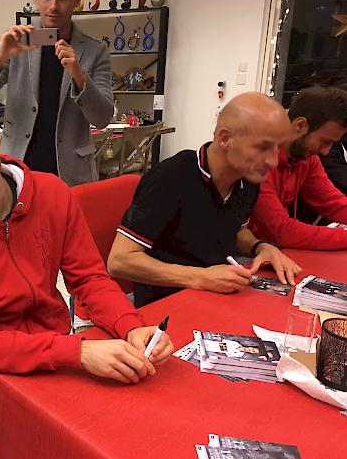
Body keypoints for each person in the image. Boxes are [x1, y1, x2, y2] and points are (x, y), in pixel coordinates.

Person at [0, 86, 173, 417]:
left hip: (58, 349)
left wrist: (131, 325)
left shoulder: (51, 193)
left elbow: (89, 278)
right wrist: (77, 353)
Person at [107, 93, 301, 308]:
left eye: (278, 148)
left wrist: (262, 248)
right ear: (225, 138)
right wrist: (200, 277)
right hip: (166, 304)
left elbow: (235, 230)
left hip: (217, 296)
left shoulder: (248, 180)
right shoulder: (171, 177)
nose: (273, 161)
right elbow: (119, 261)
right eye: (263, 148)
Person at [0, 0, 113, 186]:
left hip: (70, 175)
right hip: (17, 170)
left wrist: (79, 75)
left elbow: (103, 118)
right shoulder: (16, 42)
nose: (53, 6)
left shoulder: (95, 51)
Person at [249, 86, 347, 250]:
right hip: (241, 253)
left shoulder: (308, 159)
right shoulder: (259, 157)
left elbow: (332, 202)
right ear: (300, 125)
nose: (326, 151)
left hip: (273, 250)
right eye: (325, 141)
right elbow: (281, 231)